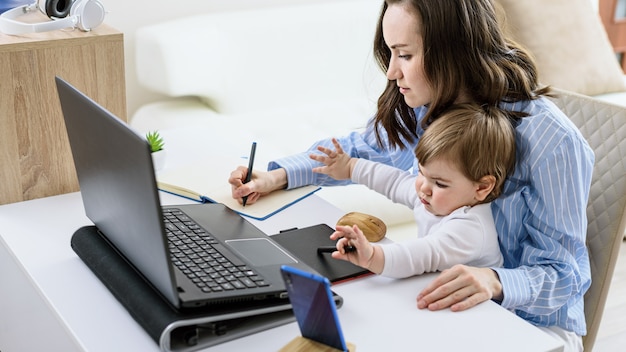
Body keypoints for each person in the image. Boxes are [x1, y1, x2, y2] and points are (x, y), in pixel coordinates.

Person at [229, 1, 593, 350]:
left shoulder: (553, 141)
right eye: (390, 53)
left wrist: (495, 280)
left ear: (454, 51)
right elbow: (357, 150)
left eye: (404, 55)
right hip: (451, 305)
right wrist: (276, 177)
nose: (391, 71)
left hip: (535, 327)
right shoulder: (431, 103)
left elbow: (566, 274)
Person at [314, 103, 513, 278]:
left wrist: (372, 255)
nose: (424, 187)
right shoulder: (434, 196)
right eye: (421, 173)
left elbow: (420, 255)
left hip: (485, 315)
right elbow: (394, 181)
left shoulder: (471, 228)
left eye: (440, 183)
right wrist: (350, 167)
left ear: (482, 187)